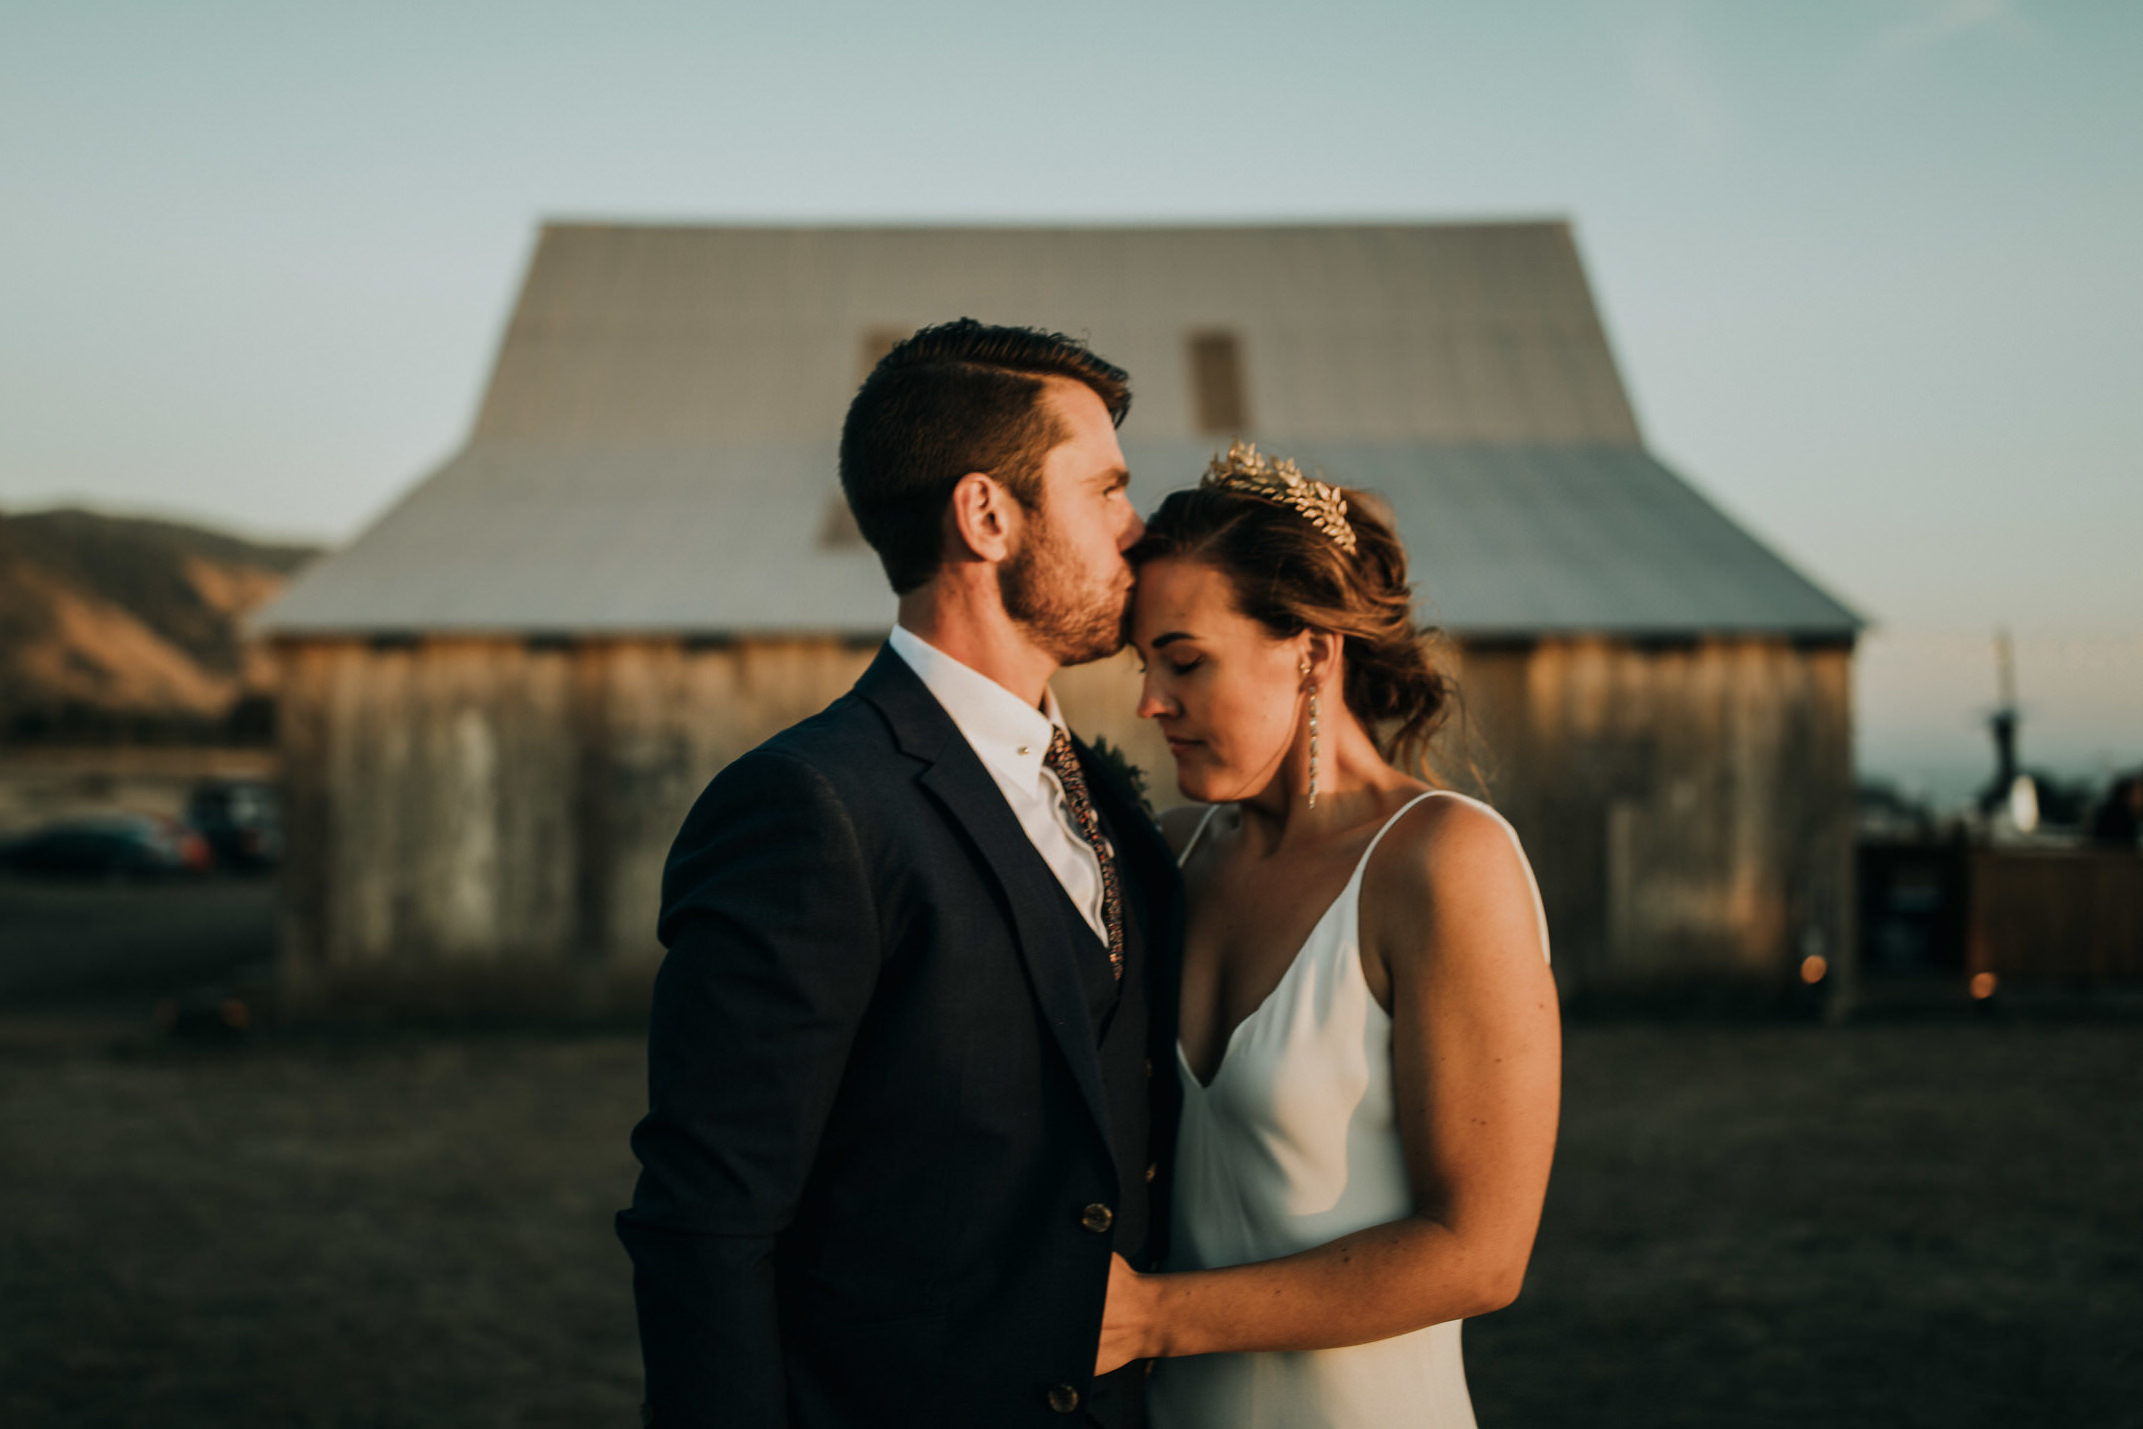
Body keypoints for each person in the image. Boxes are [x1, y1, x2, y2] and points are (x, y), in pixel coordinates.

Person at [617, 320, 1182, 1428]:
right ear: (985, 516)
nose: (1138, 526)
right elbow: (707, 1223)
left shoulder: (1113, 797)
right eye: (1106, 489)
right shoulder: (807, 805)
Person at [1106, 444, 1560, 1429]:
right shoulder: (1170, 856)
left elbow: (1481, 1252)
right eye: (1144, 664)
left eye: (1184, 661)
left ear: (1311, 648)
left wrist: (1151, 1317)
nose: (1149, 701)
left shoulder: (1441, 863)